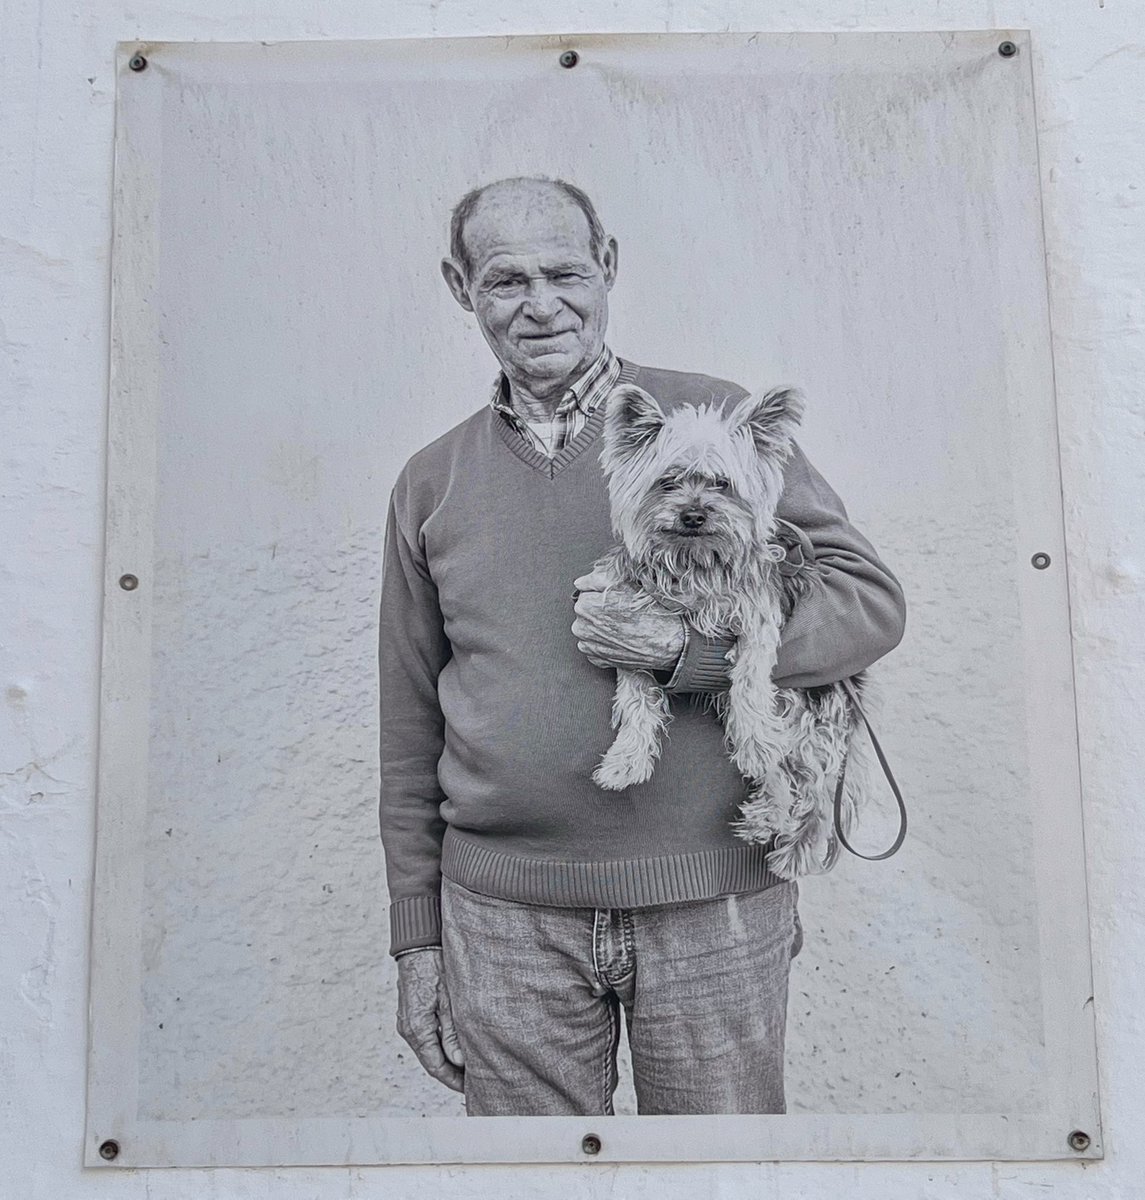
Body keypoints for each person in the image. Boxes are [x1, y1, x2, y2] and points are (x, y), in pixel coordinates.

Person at [379, 175, 905, 1116]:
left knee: (717, 1181)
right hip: (502, 920)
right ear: (460, 288)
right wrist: (416, 938)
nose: (541, 304)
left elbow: (867, 603)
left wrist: (689, 660)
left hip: (713, 905)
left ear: (608, 267)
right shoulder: (429, 483)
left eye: (565, 271)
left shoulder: (713, 425)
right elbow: (408, 726)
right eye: (505, 280)